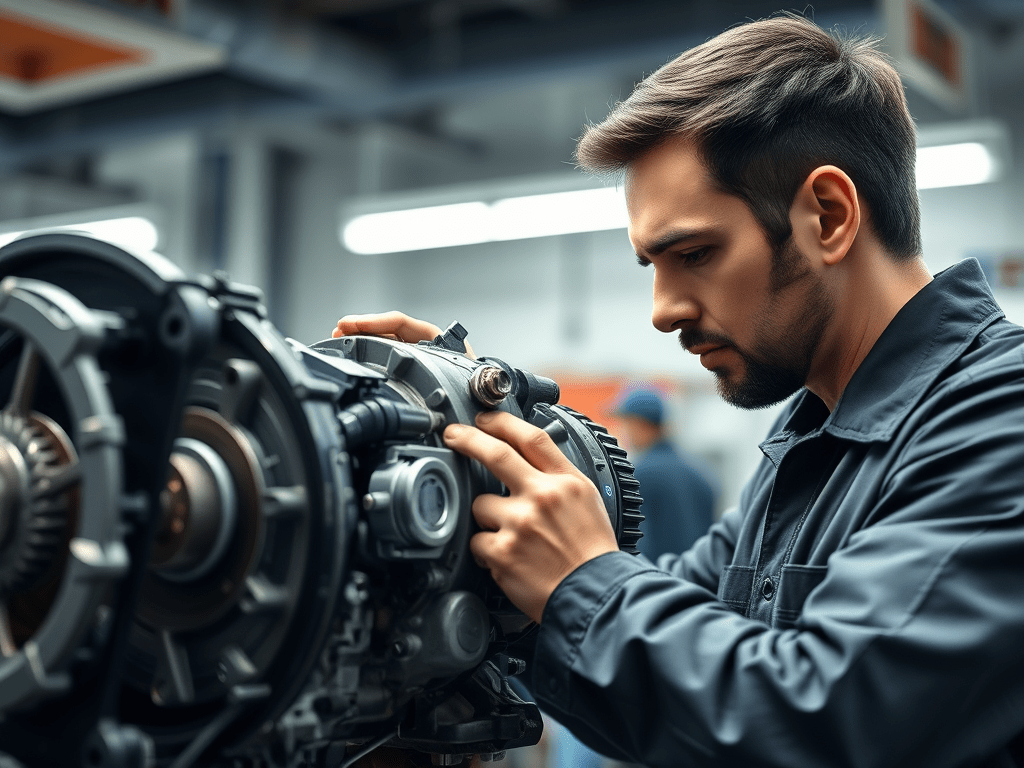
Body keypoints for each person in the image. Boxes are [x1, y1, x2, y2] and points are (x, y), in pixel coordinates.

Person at [334, 14, 1024, 768]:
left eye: (694, 253)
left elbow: (833, 723)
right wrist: (468, 442)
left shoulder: (996, 416)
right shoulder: (815, 435)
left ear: (827, 216)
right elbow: (692, 637)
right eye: (651, 267)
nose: (663, 310)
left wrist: (577, 583)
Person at [612, 387, 717, 561]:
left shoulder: (638, 475)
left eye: (625, 424)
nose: (624, 432)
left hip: (658, 580)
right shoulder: (700, 473)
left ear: (640, 424)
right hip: (700, 580)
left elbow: (635, 543)